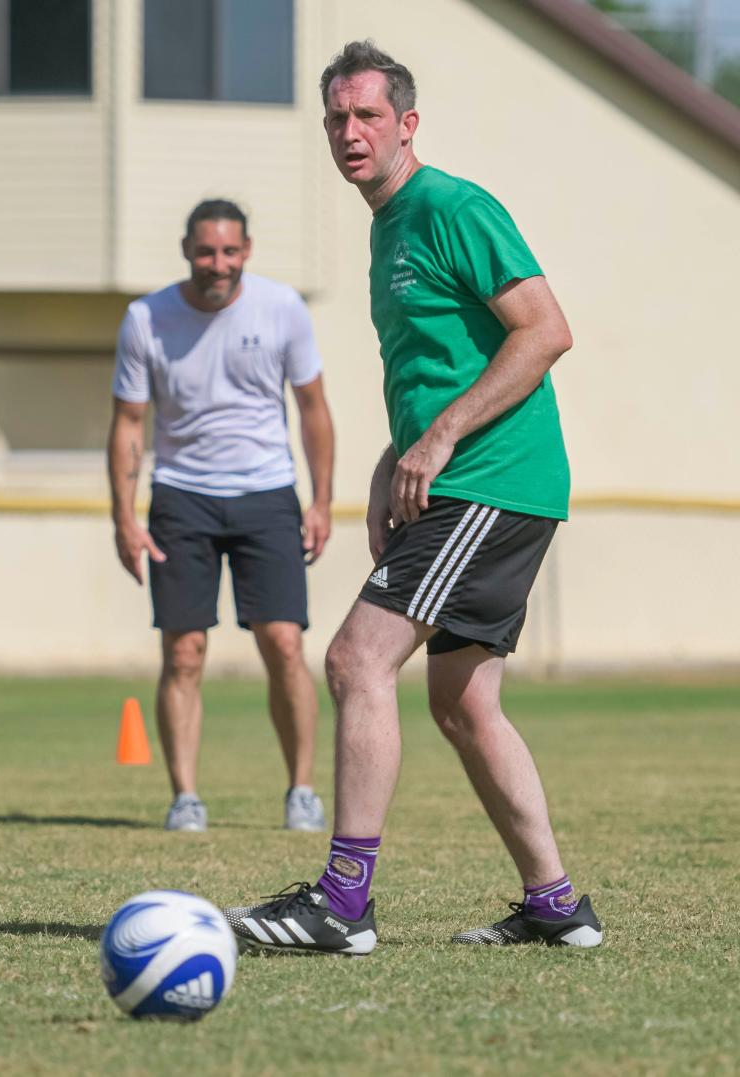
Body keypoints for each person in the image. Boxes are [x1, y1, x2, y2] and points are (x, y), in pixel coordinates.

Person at [223, 42, 602, 951]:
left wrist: (436, 441)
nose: (350, 133)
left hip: (490, 479)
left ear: (407, 124)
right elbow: (443, 364)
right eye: (336, 119)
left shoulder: (451, 206)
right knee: (464, 703)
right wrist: (395, 455)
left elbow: (545, 331)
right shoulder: (389, 225)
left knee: (357, 661)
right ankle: (556, 906)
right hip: (469, 480)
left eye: (367, 116)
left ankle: (342, 906)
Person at [108, 199, 335, 833]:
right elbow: (128, 423)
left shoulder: (283, 308)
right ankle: (185, 797)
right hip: (182, 497)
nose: (218, 264)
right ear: (186, 250)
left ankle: (302, 791)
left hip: (268, 494)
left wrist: (320, 501)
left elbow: (314, 410)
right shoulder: (146, 318)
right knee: (183, 652)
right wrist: (124, 518)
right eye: (206, 252)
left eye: (230, 252)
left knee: (284, 643)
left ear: (248, 251)